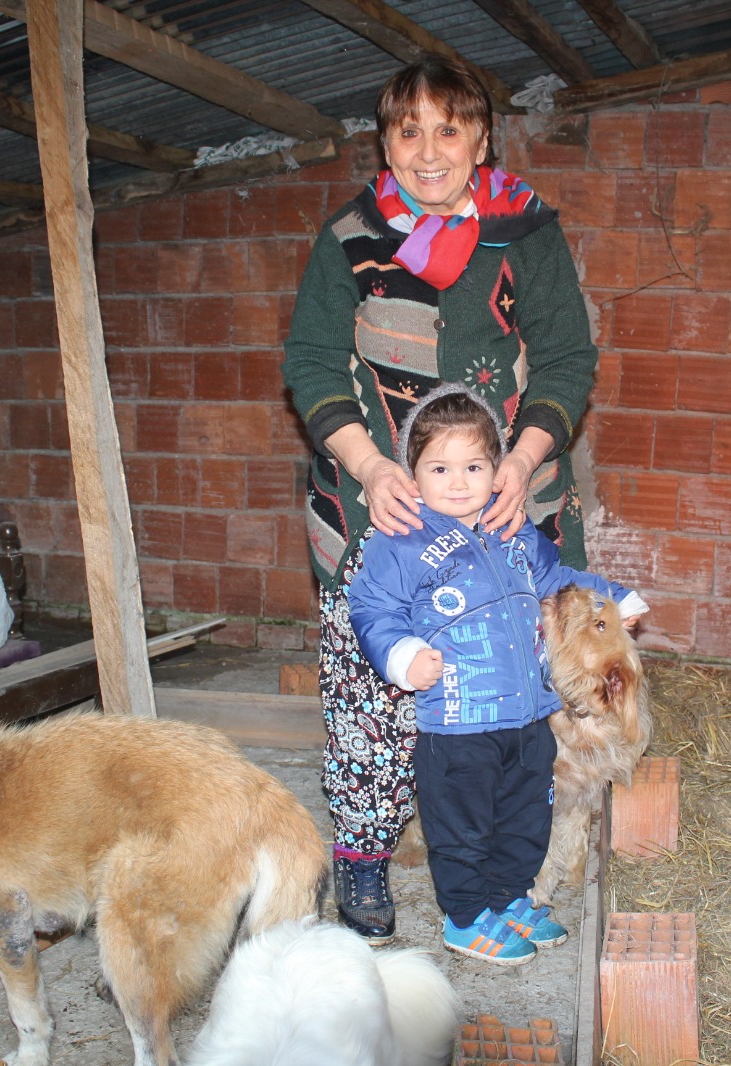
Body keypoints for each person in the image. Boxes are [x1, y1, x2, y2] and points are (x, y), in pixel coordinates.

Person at [281, 55, 600, 943]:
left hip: (503, 504)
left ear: (481, 140)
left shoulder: (525, 235)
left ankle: (505, 863)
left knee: (512, 685)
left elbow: (566, 359)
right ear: (385, 145)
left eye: (448, 130)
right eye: (408, 131)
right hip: (379, 507)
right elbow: (311, 361)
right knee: (377, 685)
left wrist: (521, 462)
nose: (429, 151)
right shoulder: (350, 239)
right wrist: (370, 467)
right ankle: (364, 850)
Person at [347, 385, 647, 964]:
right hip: (458, 725)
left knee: (524, 819)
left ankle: (508, 900)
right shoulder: (400, 541)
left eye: (474, 466)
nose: (458, 483)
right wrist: (402, 653)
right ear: (412, 475)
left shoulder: (511, 528)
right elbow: (372, 606)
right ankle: (464, 919)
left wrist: (611, 601)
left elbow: (558, 580)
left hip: (529, 716)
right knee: (462, 829)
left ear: (496, 470)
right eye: (439, 468)